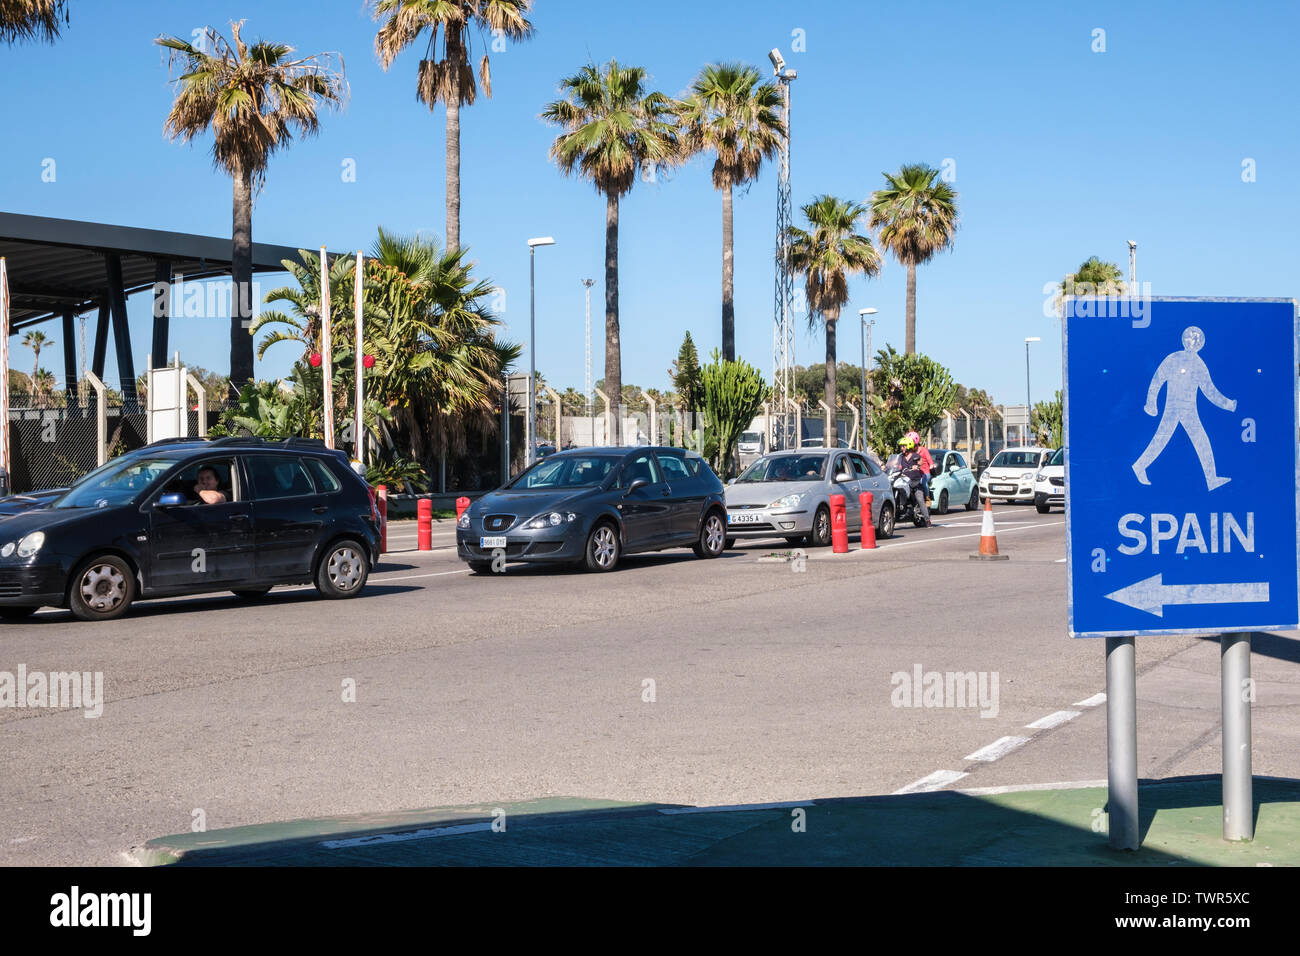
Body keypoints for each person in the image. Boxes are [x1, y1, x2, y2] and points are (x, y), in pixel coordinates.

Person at [897, 438, 933, 527]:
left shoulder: (915, 455)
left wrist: (916, 465)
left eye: (903, 446)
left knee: (920, 499)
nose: (902, 448)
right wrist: (885, 466)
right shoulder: (901, 457)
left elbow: (920, 461)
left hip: (915, 482)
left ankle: (927, 520)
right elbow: (896, 464)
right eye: (901, 446)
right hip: (905, 482)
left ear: (909, 446)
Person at [905, 430, 934, 501]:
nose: (911, 447)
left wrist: (931, 465)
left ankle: (927, 498)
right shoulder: (909, 452)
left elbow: (930, 461)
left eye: (913, 445)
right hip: (913, 473)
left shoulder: (924, 450)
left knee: (922, 482)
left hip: (925, 473)